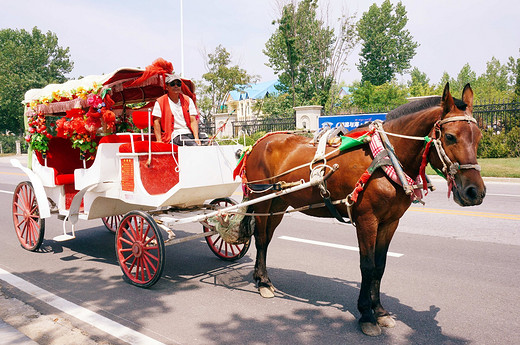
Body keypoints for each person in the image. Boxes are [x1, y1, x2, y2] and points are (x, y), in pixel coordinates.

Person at [153, 73, 201, 146]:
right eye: (172, 84)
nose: (176, 86)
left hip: (188, 133)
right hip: (174, 135)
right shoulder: (160, 102)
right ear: (167, 87)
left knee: (209, 142)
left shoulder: (188, 100)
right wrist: (159, 140)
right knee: (193, 145)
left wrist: (196, 137)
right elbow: (156, 122)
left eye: (178, 84)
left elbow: (193, 120)